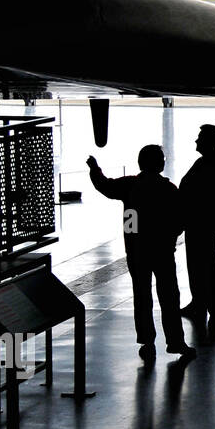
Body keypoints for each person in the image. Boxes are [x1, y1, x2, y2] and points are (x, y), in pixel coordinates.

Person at [88, 145, 195, 363]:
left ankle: (147, 341)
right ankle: (175, 341)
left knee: (142, 296)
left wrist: (94, 169)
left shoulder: (130, 185)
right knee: (169, 297)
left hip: (136, 251)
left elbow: (104, 186)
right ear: (160, 164)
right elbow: (181, 220)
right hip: (163, 252)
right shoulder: (169, 189)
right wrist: (168, 237)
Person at [178, 124, 215, 333]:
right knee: (205, 265)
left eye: (200, 138)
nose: (196, 141)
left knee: (203, 265)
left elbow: (196, 192)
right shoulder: (212, 163)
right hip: (203, 223)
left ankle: (205, 304)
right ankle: (204, 302)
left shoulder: (210, 165)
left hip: (201, 223)